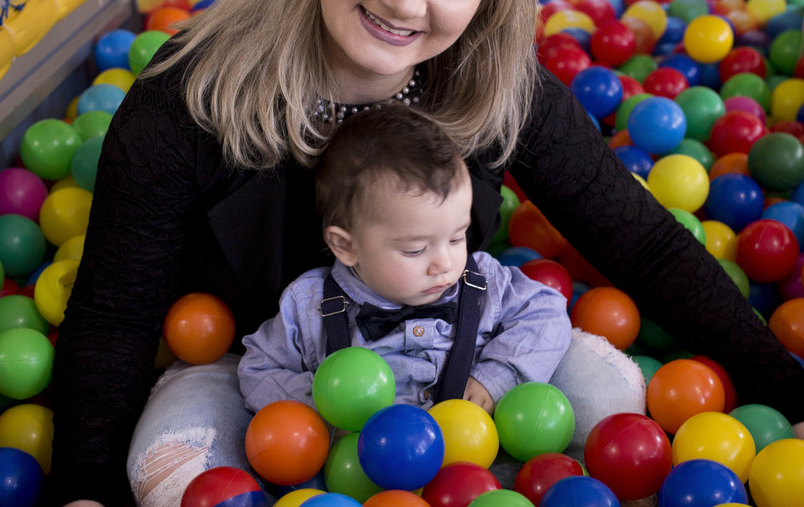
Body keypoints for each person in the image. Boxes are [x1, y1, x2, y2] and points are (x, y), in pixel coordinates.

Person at [23, 0, 804, 507]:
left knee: (615, 408)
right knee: (176, 488)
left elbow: (642, 244)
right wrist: (80, 485)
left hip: (464, 361)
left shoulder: (493, 85)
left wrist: (785, 392)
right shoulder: (187, 97)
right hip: (258, 371)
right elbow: (117, 309)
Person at [239, 103, 578, 417]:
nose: (444, 263)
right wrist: (326, 402)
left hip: (474, 456)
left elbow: (547, 311)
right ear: (346, 246)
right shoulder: (309, 305)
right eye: (415, 250)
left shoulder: (485, 282)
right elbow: (258, 369)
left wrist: (497, 376)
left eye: (457, 237)